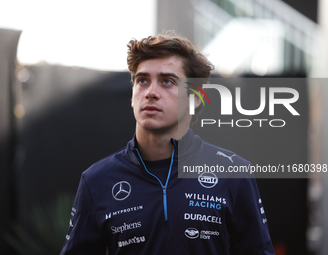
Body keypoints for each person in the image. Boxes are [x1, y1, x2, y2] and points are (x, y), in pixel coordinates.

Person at [60, 33, 275, 255]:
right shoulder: (96, 180)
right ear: (133, 95)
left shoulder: (233, 173)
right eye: (142, 80)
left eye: (167, 81)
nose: (151, 92)